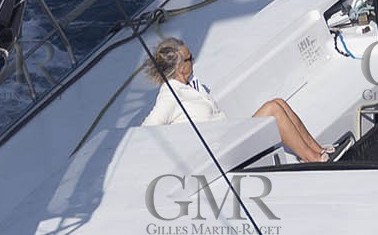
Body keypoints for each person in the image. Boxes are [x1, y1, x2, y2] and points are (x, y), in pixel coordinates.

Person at [143, 38, 335, 161]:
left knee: (278, 103)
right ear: (179, 67)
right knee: (273, 110)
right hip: (219, 151)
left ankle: (316, 149)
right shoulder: (170, 95)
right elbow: (146, 131)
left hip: (228, 138)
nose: (193, 60)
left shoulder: (192, 84)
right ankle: (313, 159)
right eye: (189, 58)